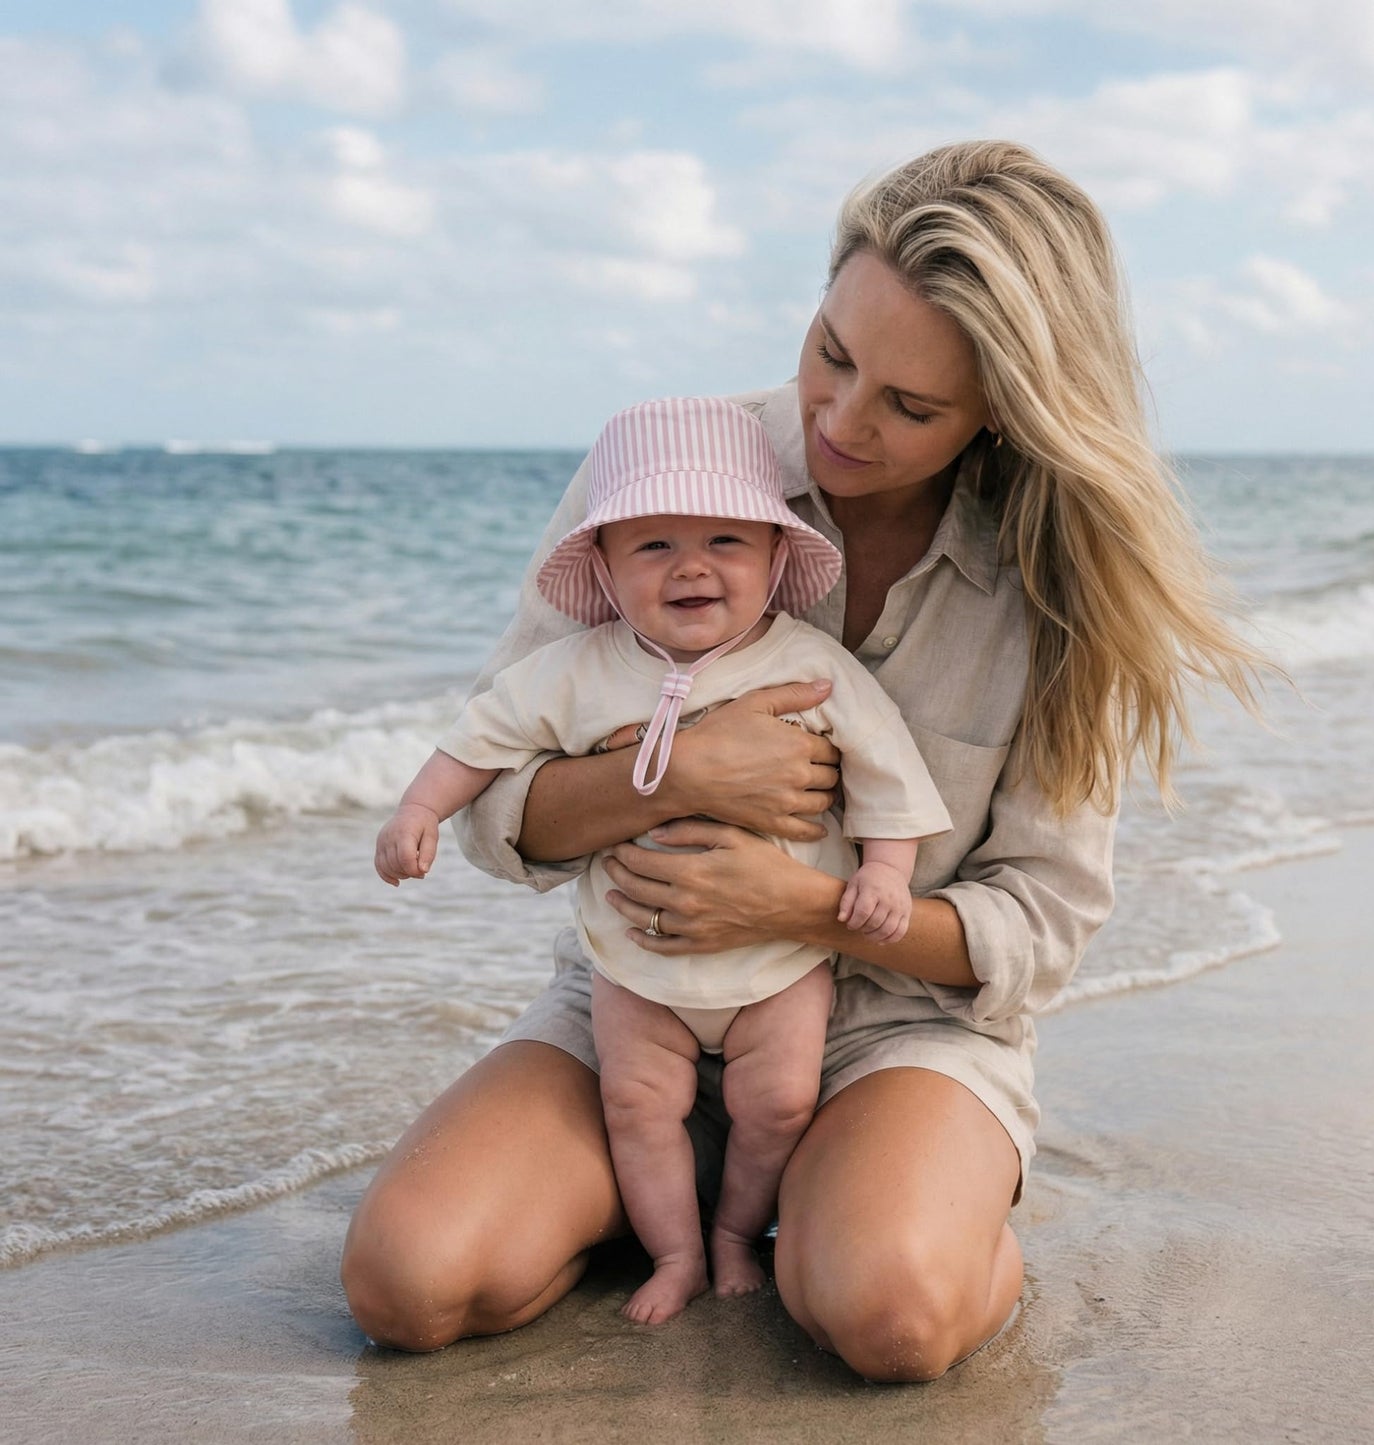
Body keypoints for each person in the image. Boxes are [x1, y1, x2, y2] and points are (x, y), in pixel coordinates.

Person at [342, 139, 1263, 1381]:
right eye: (831, 352)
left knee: (889, 1316)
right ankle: (670, 1195)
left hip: (892, 1029)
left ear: (1005, 406)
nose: (838, 419)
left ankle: (884, 1201)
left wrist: (810, 908)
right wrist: (676, 776)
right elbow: (491, 808)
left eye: (911, 405)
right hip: (638, 997)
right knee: (410, 1284)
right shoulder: (665, 463)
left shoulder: (1054, 580)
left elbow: (1040, 922)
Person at [371, 395, 951, 1325]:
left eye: (726, 538)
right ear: (602, 566)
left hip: (778, 970)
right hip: (634, 967)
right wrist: (416, 809)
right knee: (638, 1107)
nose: (691, 565)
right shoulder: (581, 669)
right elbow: (480, 739)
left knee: (779, 1104)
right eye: (651, 546)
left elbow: (890, 776)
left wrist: (881, 873)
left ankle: (733, 1233)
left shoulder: (810, 666)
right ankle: (676, 1251)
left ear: (774, 554)